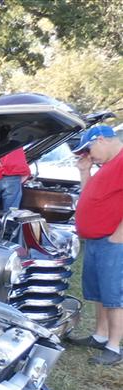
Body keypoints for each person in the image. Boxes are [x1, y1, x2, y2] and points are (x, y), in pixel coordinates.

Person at [65, 125, 123, 366]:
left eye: (88, 149)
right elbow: (90, 196)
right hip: (97, 239)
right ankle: (100, 335)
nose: (88, 155)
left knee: (113, 294)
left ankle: (114, 346)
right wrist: (85, 171)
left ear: (101, 139)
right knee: (99, 291)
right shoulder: (106, 166)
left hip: (112, 241)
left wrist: (119, 235)